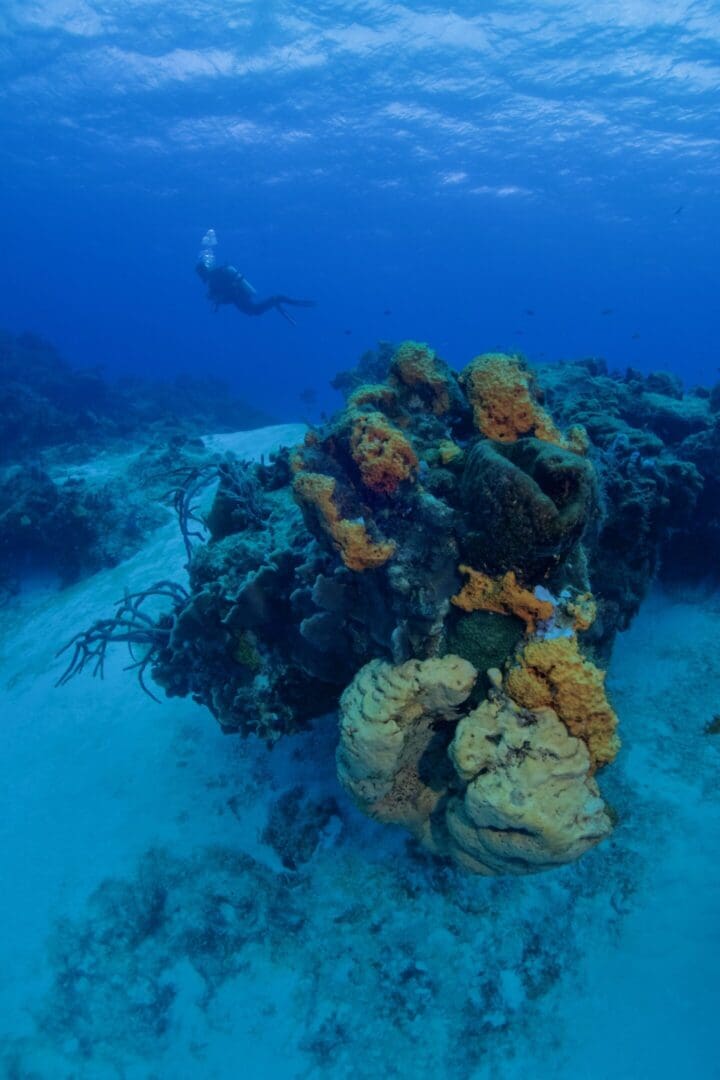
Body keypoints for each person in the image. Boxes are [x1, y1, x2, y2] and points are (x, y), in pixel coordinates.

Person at [195, 229, 315, 325]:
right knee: (254, 311)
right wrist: (216, 299)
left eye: (201, 274)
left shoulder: (217, 275)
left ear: (204, 271)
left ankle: (280, 300)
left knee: (255, 311)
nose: (201, 277)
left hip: (239, 295)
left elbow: (227, 291)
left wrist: (219, 298)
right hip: (237, 297)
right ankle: (277, 302)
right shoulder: (213, 280)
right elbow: (220, 295)